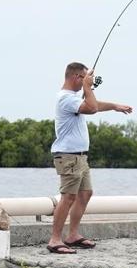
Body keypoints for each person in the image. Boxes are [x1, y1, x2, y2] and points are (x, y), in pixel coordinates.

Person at [46, 62, 132, 254]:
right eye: (85, 79)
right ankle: (55, 240)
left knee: (85, 194)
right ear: (77, 77)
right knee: (68, 197)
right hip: (68, 156)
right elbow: (92, 108)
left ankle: (73, 235)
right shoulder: (65, 98)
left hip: (80, 157)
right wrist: (87, 87)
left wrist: (114, 106)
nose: (89, 84)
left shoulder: (73, 99)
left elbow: (93, 105)